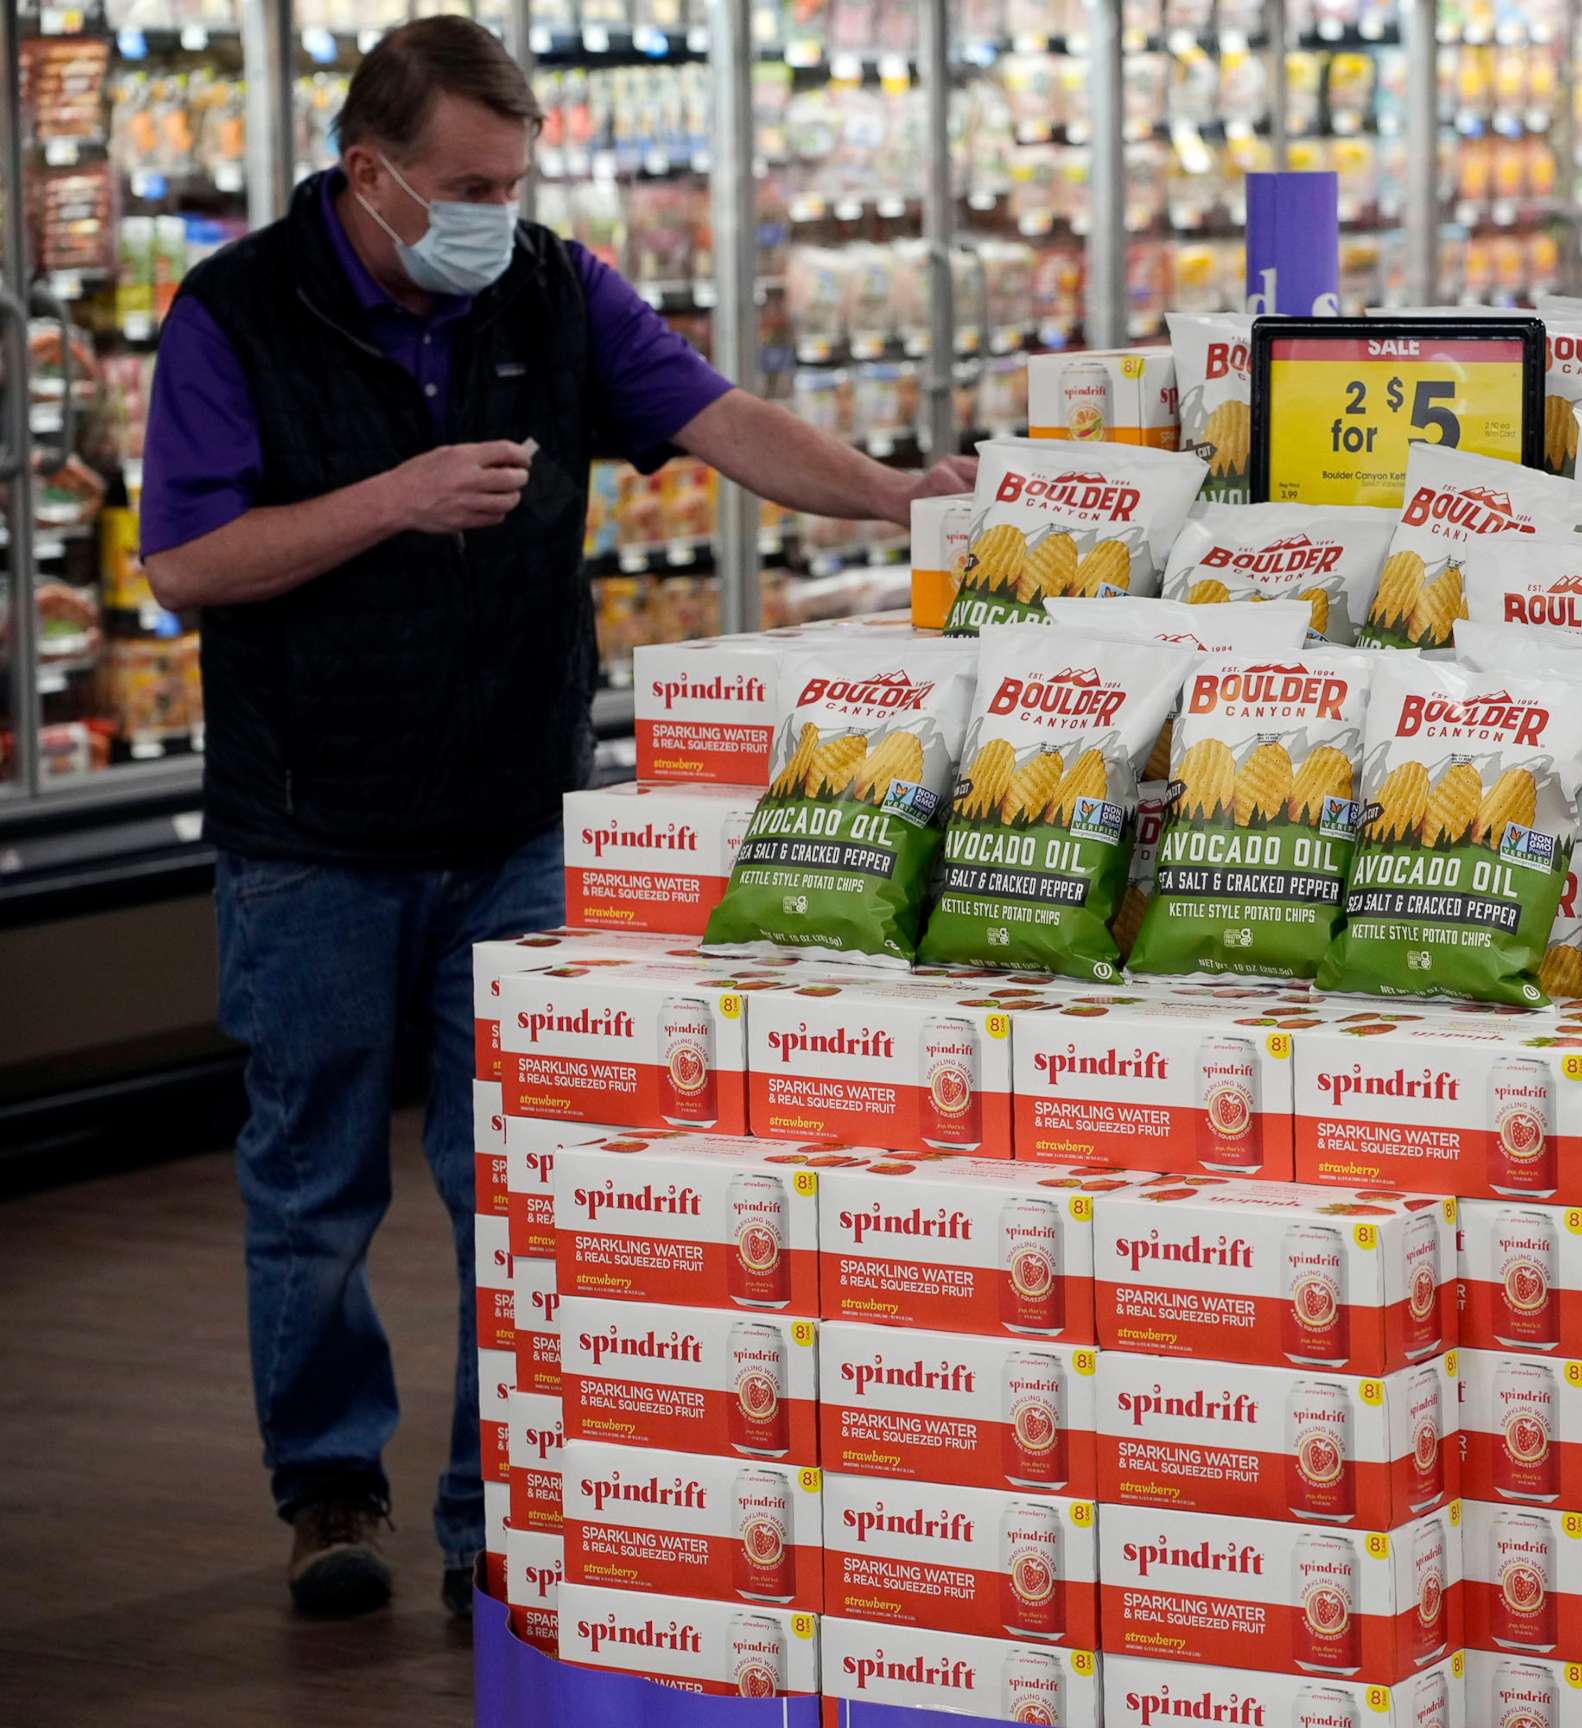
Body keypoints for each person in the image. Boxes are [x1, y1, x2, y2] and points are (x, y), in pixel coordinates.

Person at [139, 18, 973, 1619]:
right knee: (312, 1184)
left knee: (512, 1177)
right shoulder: (231, 313)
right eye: (467, 185)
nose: (495, 215)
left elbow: (718, 418)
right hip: (310, 828)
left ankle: (491, 1516)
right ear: (368, 175)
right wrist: (396, 496)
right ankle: (329, 1495)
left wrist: (888, 492)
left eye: (516, 182)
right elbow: (183, 566)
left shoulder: (552, 286)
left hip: (518, 811)